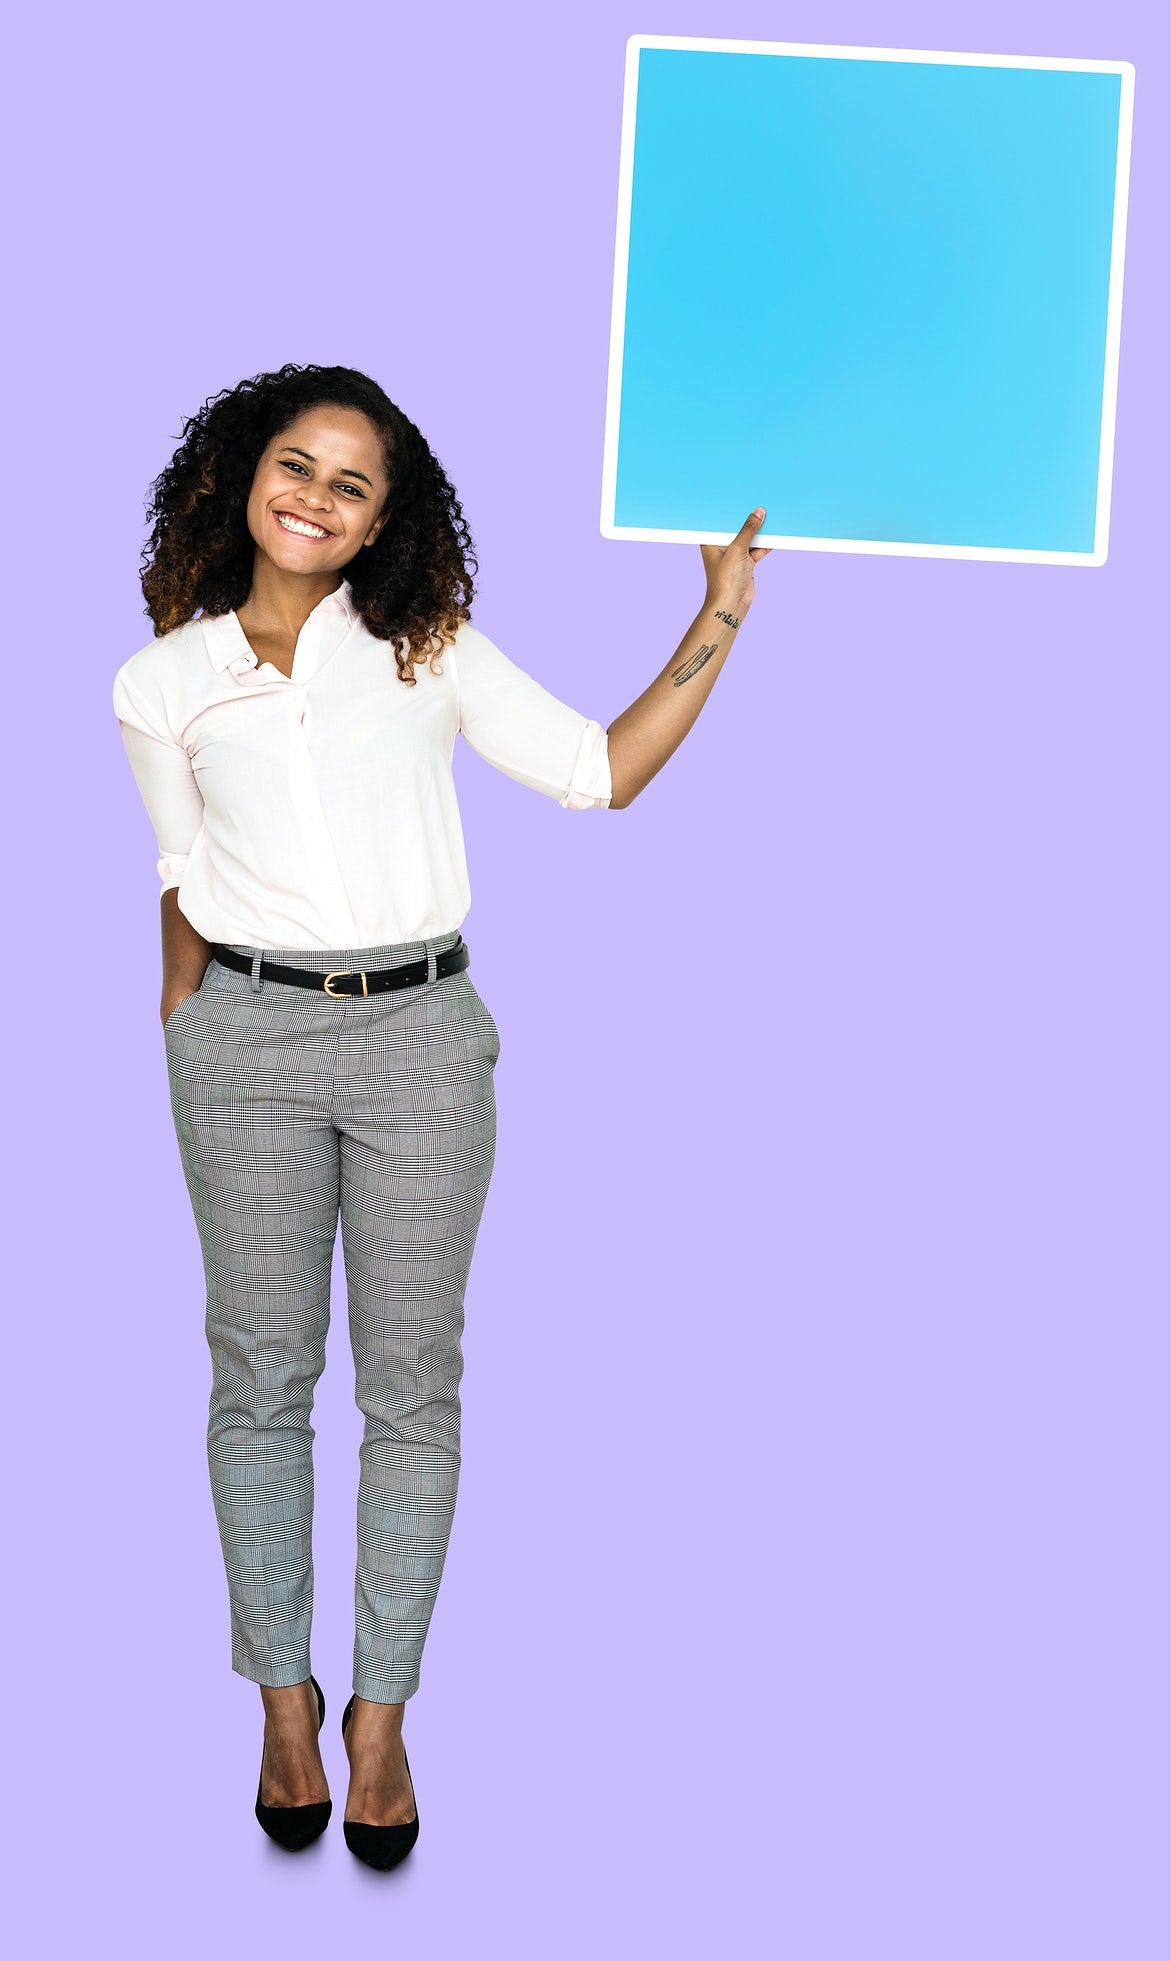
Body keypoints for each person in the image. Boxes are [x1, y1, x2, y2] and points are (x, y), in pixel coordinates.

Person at [113, 362, 771, 1868]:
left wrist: (724, 607)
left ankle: (382, 1714)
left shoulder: (430, 650)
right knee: (259, 1378)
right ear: (242, 474)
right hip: (244, 1043)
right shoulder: (161, 680)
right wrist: (185, 1025)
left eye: (355, 486)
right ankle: (283, 1697)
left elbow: (604, 772)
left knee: (412, 1387)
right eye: (298, 464)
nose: (318, 499)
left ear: (381, 525)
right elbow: (179, 875)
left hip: (419, 1037)